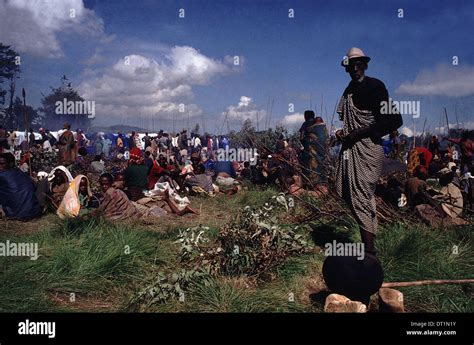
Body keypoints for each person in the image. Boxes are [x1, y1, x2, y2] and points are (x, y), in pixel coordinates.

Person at [335, 47, 403, 254]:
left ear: (364, 65)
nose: (355, 69)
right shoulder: (349, 91)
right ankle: (369, 246)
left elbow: (394, 120)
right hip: (351, 149)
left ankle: (370, 253)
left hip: (369, 149)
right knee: (352, 195)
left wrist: (361, 132)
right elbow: (348, 122)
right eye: (351, 66)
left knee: (362, 197)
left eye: (358, 65)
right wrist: (344, 133)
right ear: (347, 69)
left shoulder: (375, 87)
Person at [0, 152, 41, 220]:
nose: (0, 166)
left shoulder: (3, 175)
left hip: (15, 214)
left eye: (2, 164)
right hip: (33, 212)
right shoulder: (21, 173)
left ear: (11, 164)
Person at [299, 111, 329, 187]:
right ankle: (323, 182)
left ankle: (310, 184)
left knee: (308, 164)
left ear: (305, 116)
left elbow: (301, 138)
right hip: (323, 149)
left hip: (310, 149)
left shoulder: (305, 124)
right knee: (321, 163)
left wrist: (306, 144)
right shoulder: (320, 124)